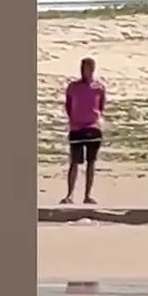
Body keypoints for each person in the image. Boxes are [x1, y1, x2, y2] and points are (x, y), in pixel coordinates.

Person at [61, 57, 106, 205]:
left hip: (93, 127)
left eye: (91, 68)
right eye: (86, 68)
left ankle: (88, 195)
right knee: (74, 162)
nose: (88, 71)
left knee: (91, 162)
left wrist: (93, 118)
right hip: (77, 128)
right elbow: (68, 105)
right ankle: (70, 194)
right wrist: (74, 119)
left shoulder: (99, 87)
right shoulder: (73, 87)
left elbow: (101, 106)